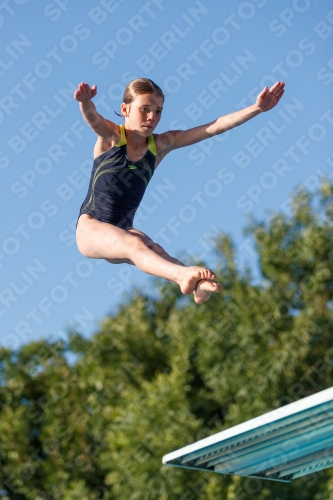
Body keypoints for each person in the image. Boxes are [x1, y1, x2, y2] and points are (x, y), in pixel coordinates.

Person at [74, 78, 285, 304]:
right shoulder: (113, 137)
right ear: (125, 109)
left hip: (122, 230)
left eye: (158, 111)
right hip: (91, 229)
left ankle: (198, 286)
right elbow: (92, 118)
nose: (152, 117)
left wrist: (256, 109)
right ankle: (184, 275)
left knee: (155, 249)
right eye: (144, 109)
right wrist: (85, 102)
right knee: (136, 245)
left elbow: (212, 127)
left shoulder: (161, 144)